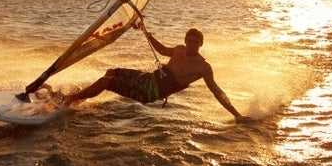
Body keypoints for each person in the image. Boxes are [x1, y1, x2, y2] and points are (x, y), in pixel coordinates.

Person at [66, 23, 242, 119]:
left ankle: (69, 100)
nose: (191, 44)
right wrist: (146, 31)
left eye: (196, 42)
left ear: (201, 44)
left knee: (107, 82)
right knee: (111, 72)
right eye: (190, 40)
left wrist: (236, 115)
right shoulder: (179, 49)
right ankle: (79, 99)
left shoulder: (202, 67)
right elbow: (162, 50)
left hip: (151, 92)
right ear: (185, 40)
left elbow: (216, 91)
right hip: (147, 78)